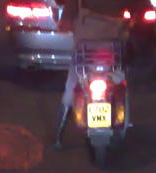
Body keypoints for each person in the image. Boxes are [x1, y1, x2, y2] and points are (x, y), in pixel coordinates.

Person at [52, 0, 130, 149]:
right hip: (111, 51)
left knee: (71, 88)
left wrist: (65, 25)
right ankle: (121, 125)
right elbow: (139, 10)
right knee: (120, 81)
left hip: (85, 53)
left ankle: (58, 136)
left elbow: (65, 23)